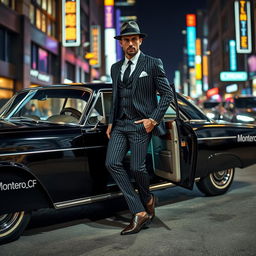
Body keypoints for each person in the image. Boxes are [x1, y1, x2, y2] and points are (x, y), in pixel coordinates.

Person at [105, 21, 173, 235]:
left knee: (137, 168)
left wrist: (152, 120)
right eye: (127, 40)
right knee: (112, 163)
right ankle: (139, 210)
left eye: (134, 39)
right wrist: (110, 121)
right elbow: (115, 97)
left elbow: (167, 94)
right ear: (121, 43)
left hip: (140, 124)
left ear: (140, 41)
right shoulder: (115, 68)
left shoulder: (152, 64)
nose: (131, 43)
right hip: (119, 124)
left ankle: (147, 198)